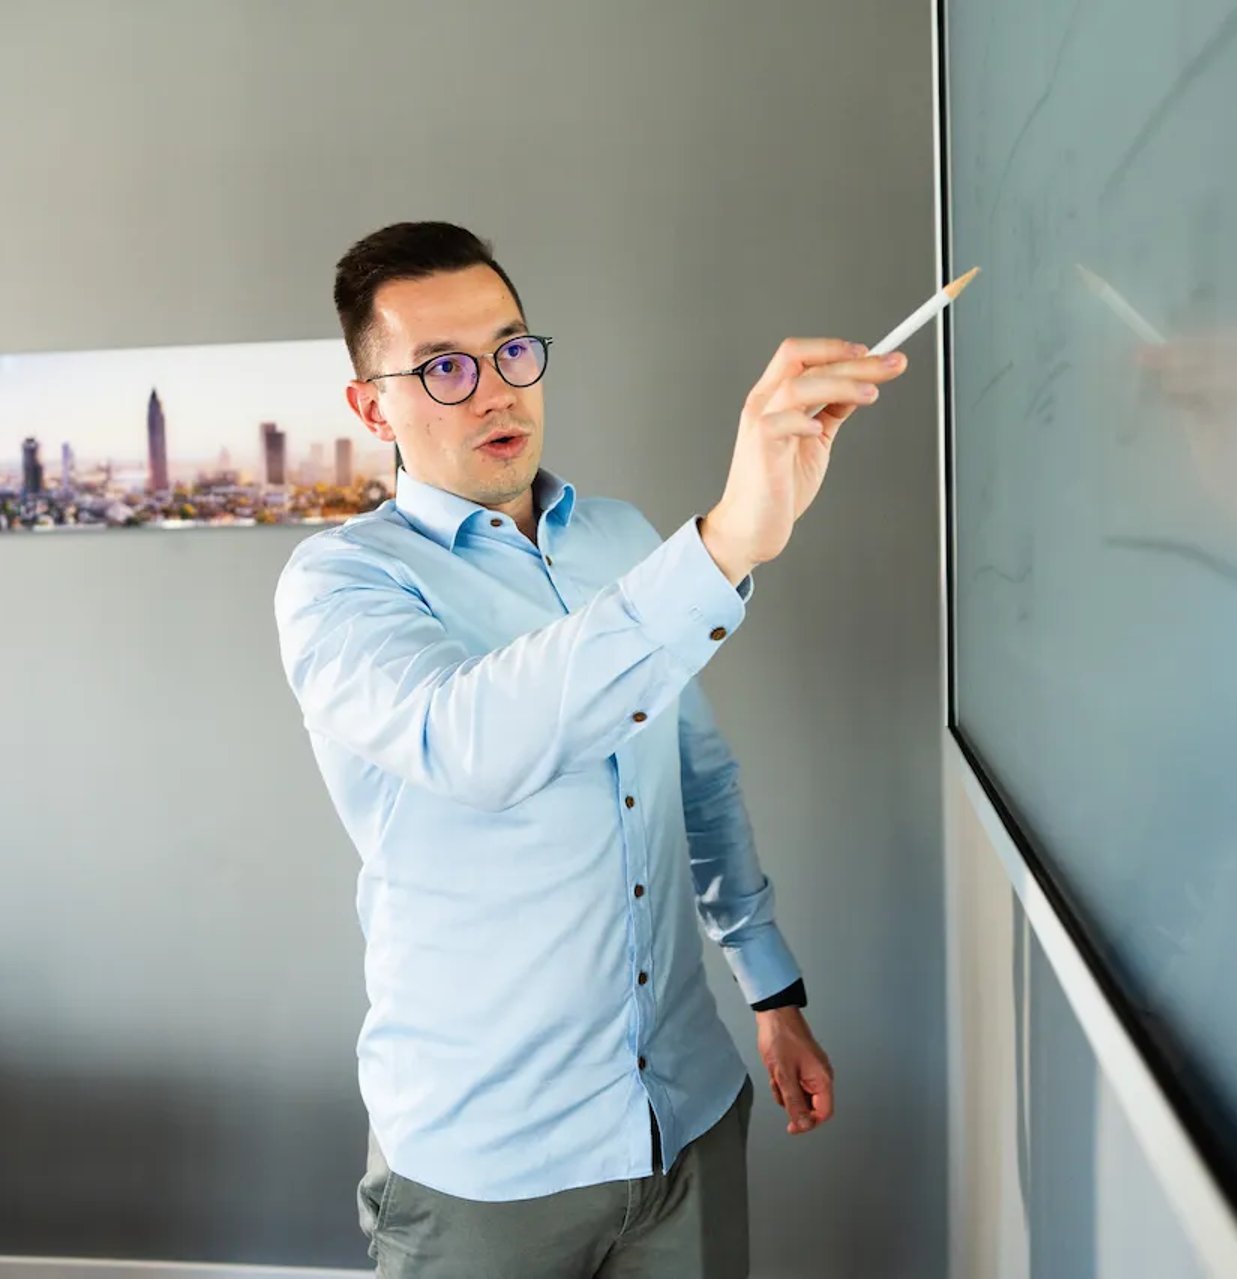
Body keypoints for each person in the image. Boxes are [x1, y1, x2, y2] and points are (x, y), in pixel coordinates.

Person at [272, 222, 907, 1278]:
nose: (494, 391)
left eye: (512, 349)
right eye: (443, 368)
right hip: (485, 1163)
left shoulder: (619, 540)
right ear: (370, 404)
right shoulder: (340, 583)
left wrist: (770, 988)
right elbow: (472, 742)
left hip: (684, 1117)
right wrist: (722, 546)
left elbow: (692, 775)